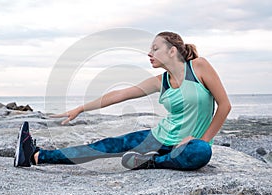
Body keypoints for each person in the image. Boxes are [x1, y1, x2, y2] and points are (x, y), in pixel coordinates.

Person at [14, 31, 231, 170]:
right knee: (104, 146)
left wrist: (201, 139)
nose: (149, 53)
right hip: (159, 138)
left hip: (191, 144)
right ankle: (36, 156)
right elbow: (120, 94)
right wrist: (81, 108)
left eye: (155, 48)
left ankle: (150, 162)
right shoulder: (160, 81)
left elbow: (224, 106)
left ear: (172, 51)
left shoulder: (199, 67)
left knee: (201, 153)